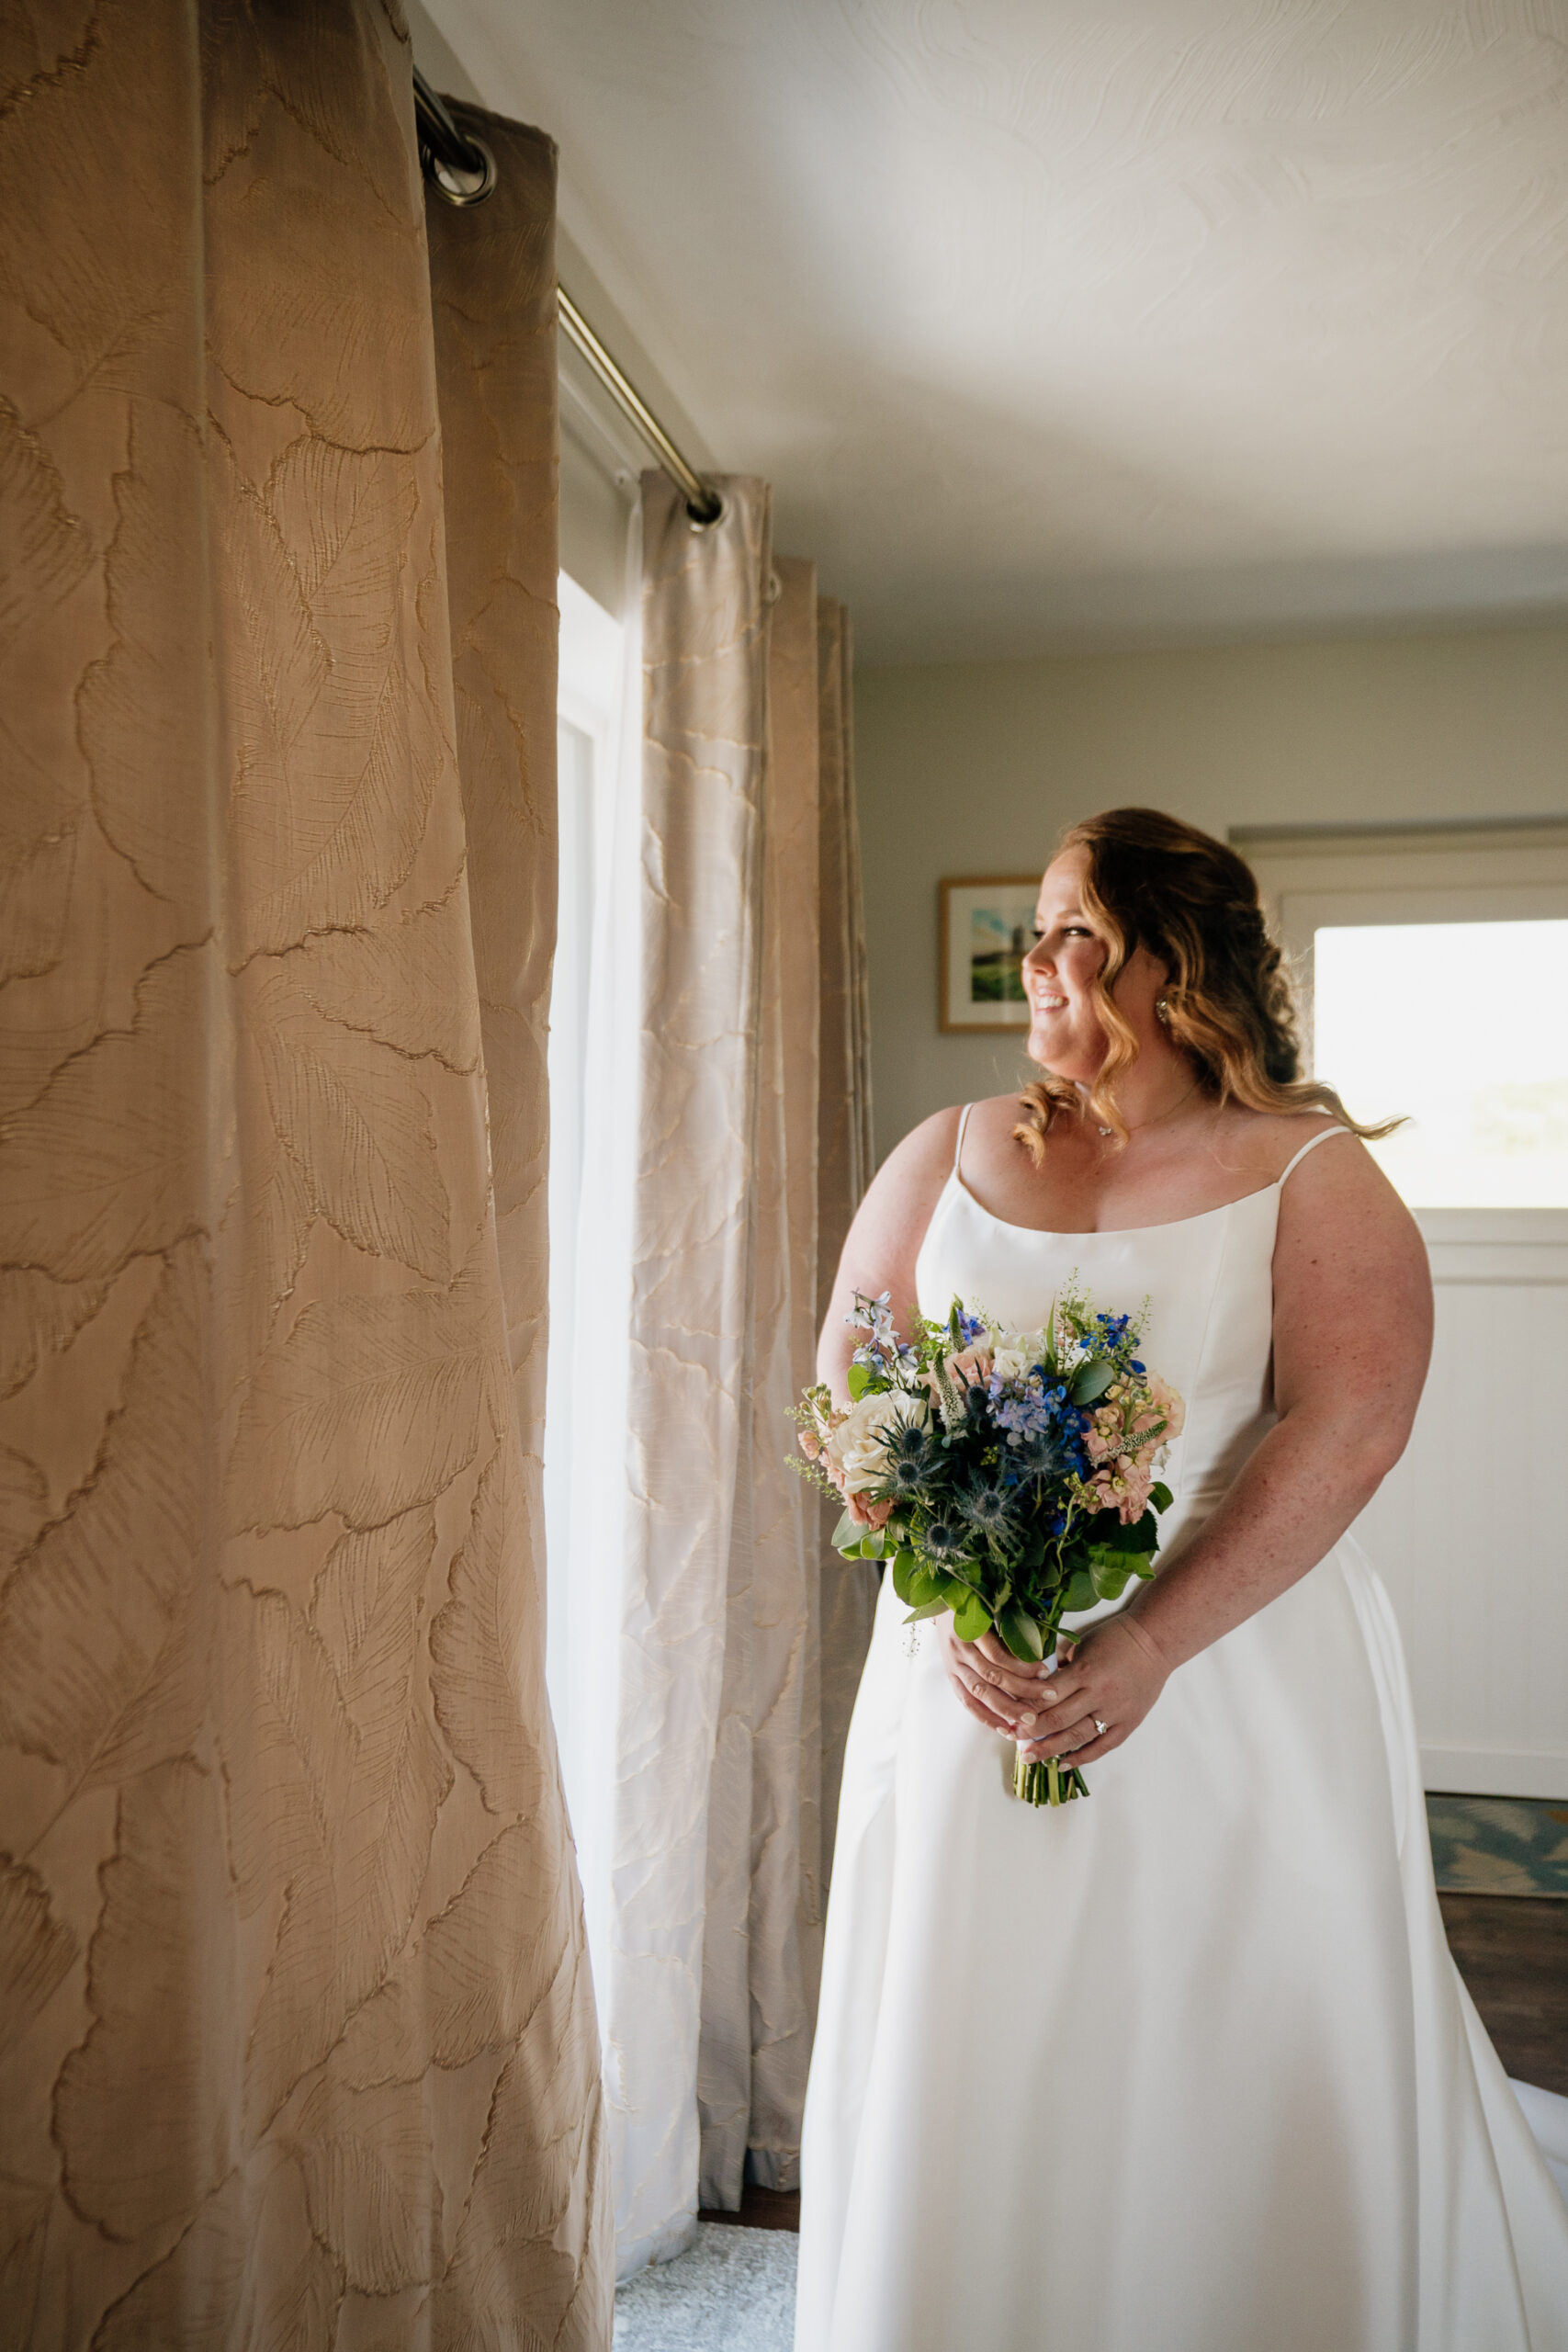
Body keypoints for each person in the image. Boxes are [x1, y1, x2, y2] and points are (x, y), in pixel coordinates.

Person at [794, 808, 1568, 2351]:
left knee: (1211, 2026)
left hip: (1227, 1684)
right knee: (976, 2024)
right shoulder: (946, 1152)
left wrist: (1143, 1646)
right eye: (1037, 925)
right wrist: (961, 1580)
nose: (1038, 956)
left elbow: (1352, 1430)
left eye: (1072, 925)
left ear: (1174, 962)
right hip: (966, 1682)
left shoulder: (1310, 1173)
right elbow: (850, 1384)